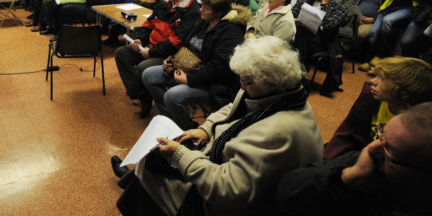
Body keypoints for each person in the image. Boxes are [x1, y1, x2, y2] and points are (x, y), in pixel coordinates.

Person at [114, 36, 324, 216]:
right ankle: (130, 175)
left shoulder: (277, 132)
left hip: (231, 206)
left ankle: (133, 178)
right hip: (232, 164)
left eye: (246, 82)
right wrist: (205, 128)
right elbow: (234, 106)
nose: (242, 87)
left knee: (151, 169)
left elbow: (229, 191)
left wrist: (180, 156)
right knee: (157, 156)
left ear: (274, 81)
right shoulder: (278, 94)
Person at [277, 102, 432, 216]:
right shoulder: (370, 160)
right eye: (381, 134)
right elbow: (287, 190)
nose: (371, 147)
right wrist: (346, 179)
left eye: (389, 149)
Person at [141, 0, 249, 127]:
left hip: (213, 82)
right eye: (202, 5)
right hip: (191, 68)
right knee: (148, 75)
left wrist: (188, 79)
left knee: (172, 96)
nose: (201, 9)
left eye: (206, 8)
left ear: (219, 12)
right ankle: (171, 120)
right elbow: (187, 46)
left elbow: (218, 67)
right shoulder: (204, 22)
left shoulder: (231, 32)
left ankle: (186, 127)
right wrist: (172, 60)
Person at [114, 0, 200, 114]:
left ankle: (139, 92)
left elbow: (176, 42)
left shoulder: (192, 11)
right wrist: (140, 39)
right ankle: (142, 93)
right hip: (151, 46)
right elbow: (148, 23)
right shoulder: (165, 2)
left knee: (143, 67)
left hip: (171, 55)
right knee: (122, 53)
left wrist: (151, 52)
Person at [323, 56, 432, 160]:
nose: (372, 81)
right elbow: (347, 131)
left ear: (401, 89)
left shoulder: (418, 127)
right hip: (359, 154)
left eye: (382, 78)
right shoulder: (372, 97)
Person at [291, 0, 348, 96]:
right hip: (300, 37)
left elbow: (328, 26)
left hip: (322, 42)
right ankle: (297, 74)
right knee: (299, 33)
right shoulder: (305, 1)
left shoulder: (340, 8)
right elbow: (290, 14)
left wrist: (324, 5)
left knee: (299, 34)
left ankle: (297, 76)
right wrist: (293, 20)